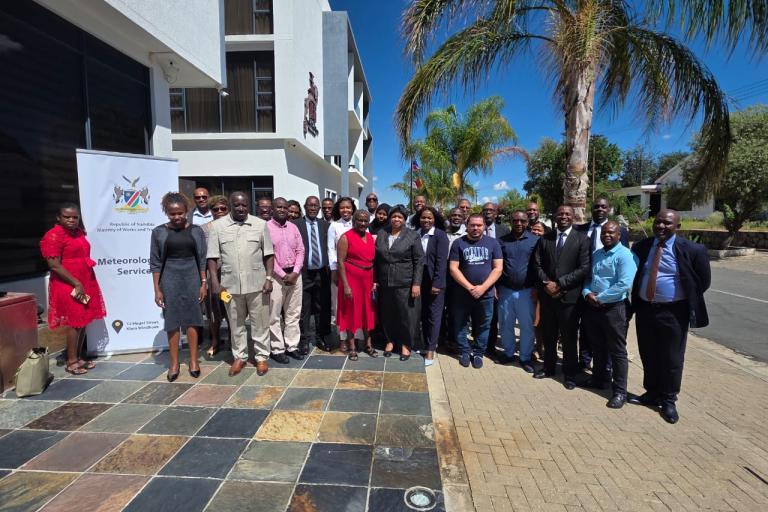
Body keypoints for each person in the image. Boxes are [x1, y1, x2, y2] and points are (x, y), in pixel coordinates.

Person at [629, 209, 710, 424]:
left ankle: (669, 399)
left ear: (677, 227)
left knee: (672, 357)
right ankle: (652, 392)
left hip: (674, 312)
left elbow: (703, 281)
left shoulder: (694, 250)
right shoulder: (642, 246)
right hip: (645, 308)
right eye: (658, 222)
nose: (661, 226)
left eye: (667, 223)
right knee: (648, 352)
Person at [207, 191, 275, 377]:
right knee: (235, 323)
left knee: (260, 323)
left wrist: (269, 279)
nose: (241, 208)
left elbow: (268, 254)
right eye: (237, 205)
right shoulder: (218, 227)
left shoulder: (260, 225)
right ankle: (240, 357)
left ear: (248, 205)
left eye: (244, 205)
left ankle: (261, 357)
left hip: (257, 283)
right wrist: (214, 281)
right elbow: (212, 257)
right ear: (230, 205)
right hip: (229, 285)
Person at [40, 203, 106, 375]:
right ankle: (71, 361)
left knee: (83, 319)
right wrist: (76, 283)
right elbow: (54, 265)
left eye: (74, 217)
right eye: (67, 217)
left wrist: (82, 282)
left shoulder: (78, 233)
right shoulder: (53, 236)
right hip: (67, 283)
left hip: (84, 281)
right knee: (74, 322)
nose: (71, 220)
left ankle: (79, 356)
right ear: (58, 218)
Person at [149, 193, 207, 381]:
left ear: (186, 211)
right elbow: (155, 262)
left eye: (180, 213)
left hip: (192, 276)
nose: (177, 217)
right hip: (169, 277)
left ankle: (193, 360)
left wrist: (203, 282)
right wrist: (157, 288)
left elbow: (202, 260)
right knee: (172, 320)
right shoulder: (158, 232)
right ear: (167, 212)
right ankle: (174, 363)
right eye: (172, 214)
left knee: (192, 318)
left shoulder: (196, 231)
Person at [532, 205, 590, 389]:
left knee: (569, 338)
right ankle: (548, 368)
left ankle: (570, 374)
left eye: (567, 214)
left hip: (569, 298)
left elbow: (584, 268)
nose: (563, 216)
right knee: (549, 335)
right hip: (547, 297)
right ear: (555, 217)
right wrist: (547, 283)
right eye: (560, 214)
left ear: (573, 217)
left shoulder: (582, 239)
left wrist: (561, 284)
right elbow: (537, 264)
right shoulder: (545, 239)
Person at [581, 221, 638, 409]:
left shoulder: (625, 255)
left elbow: (624, 284)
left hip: (614, 308)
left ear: (619, 235)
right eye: (604, 232)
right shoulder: (597, 254)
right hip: (594, 307)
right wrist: (587, 293)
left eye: (611, 232)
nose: (607, 235)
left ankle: (620, 391)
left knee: (617, 352)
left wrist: (601, 298)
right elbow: (589, 278)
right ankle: (599, 378)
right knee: (597, 346)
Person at [574, 197, 630, 369]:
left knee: (609, 335)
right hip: (584, 286)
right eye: (596, 206)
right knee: (585, 328)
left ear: (609, 209)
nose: (599, 209)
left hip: (610, 294)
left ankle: (607, 367)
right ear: (592, 209)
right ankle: (584, 361)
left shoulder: (620, 231)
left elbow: (622, 264)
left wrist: (606, 295)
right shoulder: (580, 230)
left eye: (603, 207)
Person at [449, 213, 503, 369]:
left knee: (484, 325)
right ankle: (465, 351)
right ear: (467, 225)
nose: (475, 228)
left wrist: (483, 287)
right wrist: (470, 287)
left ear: (484, 226)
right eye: (472, 225)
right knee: (460, 324)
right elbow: (453, 268)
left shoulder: (493, 243)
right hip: (462, 294)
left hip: (485, 295)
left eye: (479, 225)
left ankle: (479, 352)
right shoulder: (458, 243)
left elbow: (498, 268)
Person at [375, 206, 424, 360]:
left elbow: (419, 260)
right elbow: (377, 259)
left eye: (400, 217)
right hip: (385, 282)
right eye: (394, 216)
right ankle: (390, 341)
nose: (396, 219)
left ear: (404, 219)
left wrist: (416, 283)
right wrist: (375, 280)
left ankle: (406, 344)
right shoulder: (383, 233)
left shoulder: (412, 236)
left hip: (405, 283)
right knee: (388, 314)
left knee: (406, 316)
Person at [496, 211, 539, 372]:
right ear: (511, 221)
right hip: (505, 290)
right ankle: (508, 353)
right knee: (506, 324)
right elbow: (497, 265)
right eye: (515, 220)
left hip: (527, 291)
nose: (519, 223)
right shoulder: (502, 241)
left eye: (522, 220)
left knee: (526, 326)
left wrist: (537, 288)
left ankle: (525, 357)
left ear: (527, 222)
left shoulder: (535, 241)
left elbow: (538, 266)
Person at [266, 198, 305, 363]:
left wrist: (295, 272)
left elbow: (301, 250)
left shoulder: (293, 227)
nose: (282, 210)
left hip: (295, 275)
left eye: (285, 207)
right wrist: (282, 275)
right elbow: (268, 255)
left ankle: (292, 346)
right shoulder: (266, 228)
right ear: (272, 209)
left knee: (293, 313)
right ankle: (277, 348)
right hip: (276, 277)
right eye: (279, 207)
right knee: (274, 315)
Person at [336, 210, 377, 359]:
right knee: (351, 313)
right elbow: (340, 262)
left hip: (367, 280)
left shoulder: (370, 238)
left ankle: (368, 344)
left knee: (368, 312)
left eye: (365, 221)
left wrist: (374, 282)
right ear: (354, 221)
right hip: (351, 280)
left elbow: (373, 261)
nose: (363, 223)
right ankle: (352, 346)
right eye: (359, 220)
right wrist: (346, 285)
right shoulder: (346, 237)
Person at [294, 196, 332, 353]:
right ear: (305, 207)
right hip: (304, 273)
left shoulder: (325, 225)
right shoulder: (295, 225)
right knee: (304, 308)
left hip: (322, 272)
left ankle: (321, 337)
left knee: (322, 307)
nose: (313, 208)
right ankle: (303, 340)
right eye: (310, 205)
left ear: (319, 208)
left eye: (316, 206)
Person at [416, 207, 448, 366]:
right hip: (418, 281)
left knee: (434, 316)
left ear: (434, 219)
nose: (426, 220)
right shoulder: (417, 233)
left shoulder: (440, 235)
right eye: (423, 218)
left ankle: (430, 350)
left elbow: (442, 262)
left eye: (429, 218)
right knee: (422, 314)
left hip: (435, 282)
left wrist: (437, 283)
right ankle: (423, 344)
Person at [200, 195, 231, 356]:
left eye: (223, 209)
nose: (219, 211)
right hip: (213, 278)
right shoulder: (204, 229)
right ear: (210, 211)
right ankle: (215, 340)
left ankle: (234, 341)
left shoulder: (234, 226)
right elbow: (200, 256)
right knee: (214, 312)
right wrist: (204, 280)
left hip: (230, 278)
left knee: (231, 309)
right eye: (215, 209)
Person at [480, 202, 509, 358]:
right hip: (475, 279)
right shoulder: (474, 227)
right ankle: (478, 345)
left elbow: (506, 257)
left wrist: (498, 284)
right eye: (485, 210)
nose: (488, 213)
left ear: (496, 213)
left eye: (491, 210)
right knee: (477, 316)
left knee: (492, 317)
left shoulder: (504, 231)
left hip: (496, 281)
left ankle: (489, 347)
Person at [529, 221, 547, 360]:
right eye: (534, 230)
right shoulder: (528, 244)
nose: (536, 232)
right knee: (537, 321)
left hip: (547, 287)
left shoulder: (547, 244)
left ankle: (546, 348)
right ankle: (538, 347)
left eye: (539, 230)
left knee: (545, 322)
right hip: (534, 288)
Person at [328, 197, 356, 282]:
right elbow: (331, 249)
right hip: (340, 267)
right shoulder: (334, 225)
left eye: (348, 207)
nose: (345, 210)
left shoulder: (359, 224)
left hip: (356, 266)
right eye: (342, 208)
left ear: (352, 209)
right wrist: (334, 269)